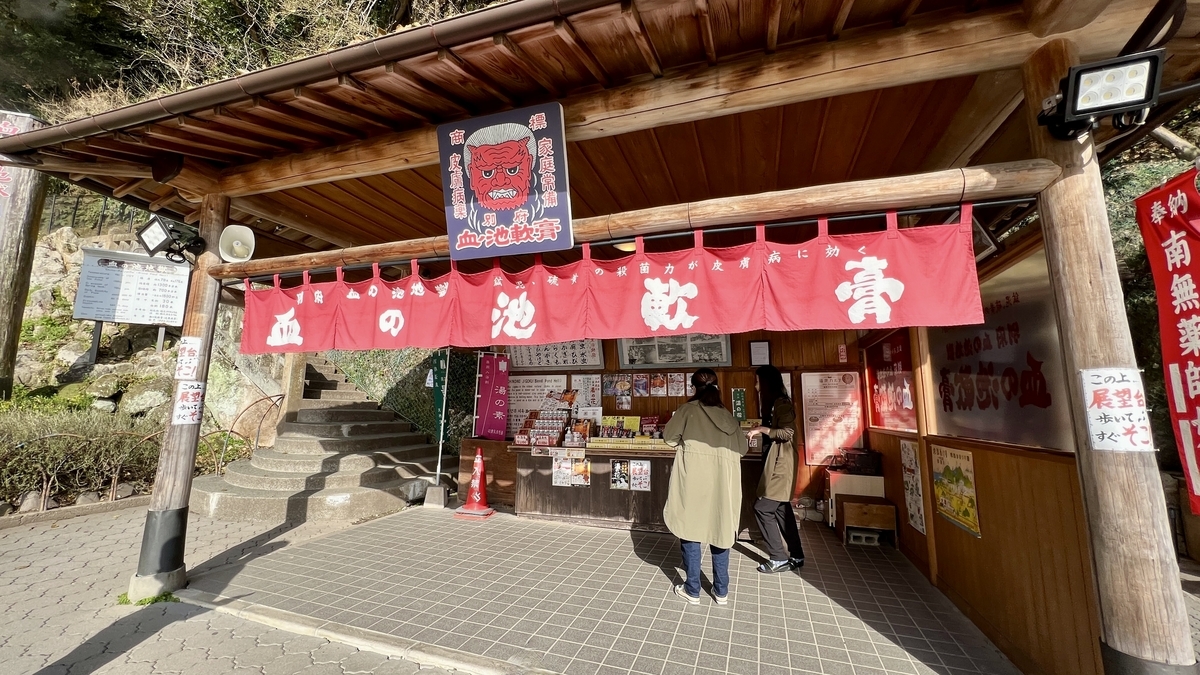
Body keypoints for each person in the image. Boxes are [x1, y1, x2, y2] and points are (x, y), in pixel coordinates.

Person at [662, 368, 748, 605]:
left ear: (693, 388)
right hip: (723, 483)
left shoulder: (688, 411)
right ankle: (721, 591)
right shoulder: (728, 416)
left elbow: (669, 438)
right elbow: (742, 449)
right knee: (720, 530)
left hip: (694, 480)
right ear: (717, 387)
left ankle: (692, 589)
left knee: (691, 529)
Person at [746, 365, 806, 573]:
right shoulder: (775, 403)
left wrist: (762, 429)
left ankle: (779, 557)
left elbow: (787, 432)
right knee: (781, 509)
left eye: (758, 381)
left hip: (782, 465)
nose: (755, 386)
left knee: (762, 508)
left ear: (766, 382)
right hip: (779, 463)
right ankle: (796, 555)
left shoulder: (781, 404)